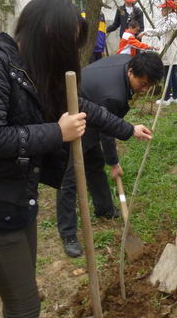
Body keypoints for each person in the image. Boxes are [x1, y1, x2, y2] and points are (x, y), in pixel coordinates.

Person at [0, 0, 153, 318]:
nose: (71, 53)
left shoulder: (32, 68)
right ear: (47, 34)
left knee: (23, 296)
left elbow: (84, 107)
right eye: (67, 43)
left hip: (19, 203)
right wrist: (56, 133)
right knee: (25, 305)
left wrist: (128, 129)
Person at [56, 52, 164, 257]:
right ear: (131, 71)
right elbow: (107, 130)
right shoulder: (113, 95)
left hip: (89, 105)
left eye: (148, 85)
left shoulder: (127, 62)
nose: (144, 89)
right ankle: (68, 234)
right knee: (68, 176)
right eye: (142, 84)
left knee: (94, 160)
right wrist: (114, 163)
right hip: (69, 111)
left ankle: (104, 208)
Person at [140, 0, 177, 106]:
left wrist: (146, 32)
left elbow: (160, 31)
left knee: (168, 74)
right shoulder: (171, 20)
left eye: (163, 9)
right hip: (171, 51)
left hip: (170, 51)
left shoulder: (171, 22)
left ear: (169, 10)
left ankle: (167, 97)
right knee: (172, 74)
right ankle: (175, 96)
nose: (161, 11)